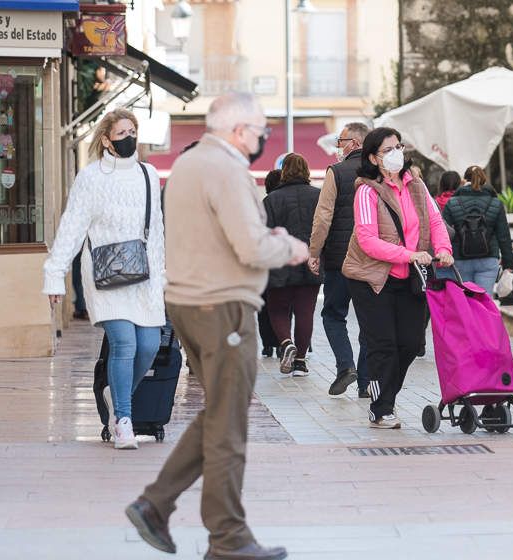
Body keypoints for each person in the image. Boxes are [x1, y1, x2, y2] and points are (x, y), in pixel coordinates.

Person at [125, 92, 306, 560]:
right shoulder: (225, 169)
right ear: (239, 129)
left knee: (218, 415)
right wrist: (290, 248)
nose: (264, 136)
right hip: (222, 307)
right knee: (229, 428)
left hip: (190, 304)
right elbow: (249, 247)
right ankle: (228, 539)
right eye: (261, 127)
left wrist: (267, 237)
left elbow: (216, 235)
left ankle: (156, 504)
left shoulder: (188, 164)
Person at [43, 108, 165, 450]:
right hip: (105, 274)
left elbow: (156, 231)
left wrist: (162, 280)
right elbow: (72, 227)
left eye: (132, 132)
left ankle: (116, 392)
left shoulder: (149, 174)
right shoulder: (91, 177)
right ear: (107, 141)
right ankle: (122, 420)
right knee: (124, 344)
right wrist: (54, 275)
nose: (129, 138)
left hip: (144, 275)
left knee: (150, 346)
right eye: (121, 133)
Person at [341, 127, 453, 429]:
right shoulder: (366, 191)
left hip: (411, 277)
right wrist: (409, 254)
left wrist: (442, 248)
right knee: (383, 344)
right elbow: (367, 240)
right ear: (374, 158)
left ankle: (386, 395)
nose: (396, 154)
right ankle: (380, 407)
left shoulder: (415, 185)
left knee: (411, 341)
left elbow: (435, 220)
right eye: (388, 150)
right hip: (372, 278)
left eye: (398, 147)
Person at [308, 122, 370, 397]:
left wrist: (314, 252)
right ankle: (367, 382)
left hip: (340, 258)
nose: (338, 148)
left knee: (333, 315)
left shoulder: (336, 172)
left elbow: (323, 217)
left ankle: (346, 366)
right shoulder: (379, 172)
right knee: (371, 319)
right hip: (373, 259)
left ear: (355, 143)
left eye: (341, 141)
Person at [264, 153, 323, 375]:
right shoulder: (318, 196)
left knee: (277, 309)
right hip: (311, 259)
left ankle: (286, 342)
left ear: (284, 171)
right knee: (305, 311)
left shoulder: (271, 199)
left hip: (281, 261)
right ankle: (300, 361)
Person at [442, 164, 513, 292]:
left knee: (466, 301)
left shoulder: (452, 203)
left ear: (464, 180)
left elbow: (443, 231)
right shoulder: (496, 203)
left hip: (460, 259)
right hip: (488, 258)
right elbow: (504, 236)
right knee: (484, 301)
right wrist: (508, 264)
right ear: (484, 180)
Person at [257, 169, 283, 358]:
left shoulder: (268, 202)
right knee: (285, 306)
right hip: (290, 258)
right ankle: (284, 342)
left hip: (269, 260)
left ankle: (267, 345)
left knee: (265, 305)